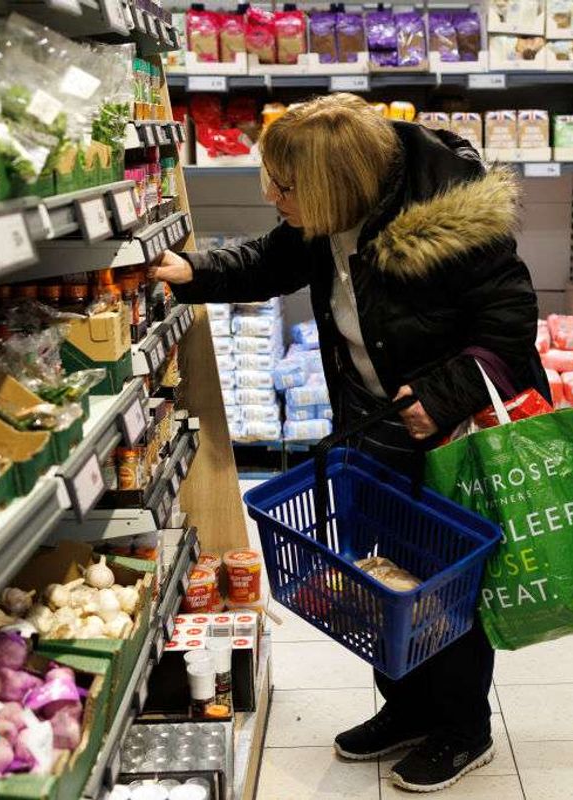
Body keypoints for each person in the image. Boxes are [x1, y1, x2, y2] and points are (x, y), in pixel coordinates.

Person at [151, 93, 544, 793]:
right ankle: (406, 709)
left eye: (284, 184)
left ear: (333, 184)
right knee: (382, 575)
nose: (273, 196)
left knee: (443, 583)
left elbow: (511, 326)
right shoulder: (325, 216)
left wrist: (442, 398)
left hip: (446, 431)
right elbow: (267, 264)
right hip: (371, 422)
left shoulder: (452, 223)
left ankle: (463, 728)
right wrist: (195, 274)